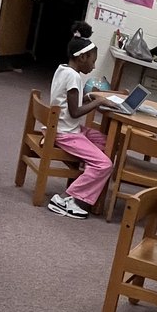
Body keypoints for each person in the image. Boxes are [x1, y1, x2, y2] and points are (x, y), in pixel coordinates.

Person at [47, 37, 113, 219]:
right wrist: (98, 101)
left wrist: (89, 97)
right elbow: (75, 112)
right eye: (93, 61)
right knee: (105, 164)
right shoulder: (74, 76)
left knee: (109, 142)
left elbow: (68, 103)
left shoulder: (63, 70)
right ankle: (65, 199)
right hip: (66, 133)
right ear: (82, 57)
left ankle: (87, 172)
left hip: (64, 127)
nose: (93, 66)